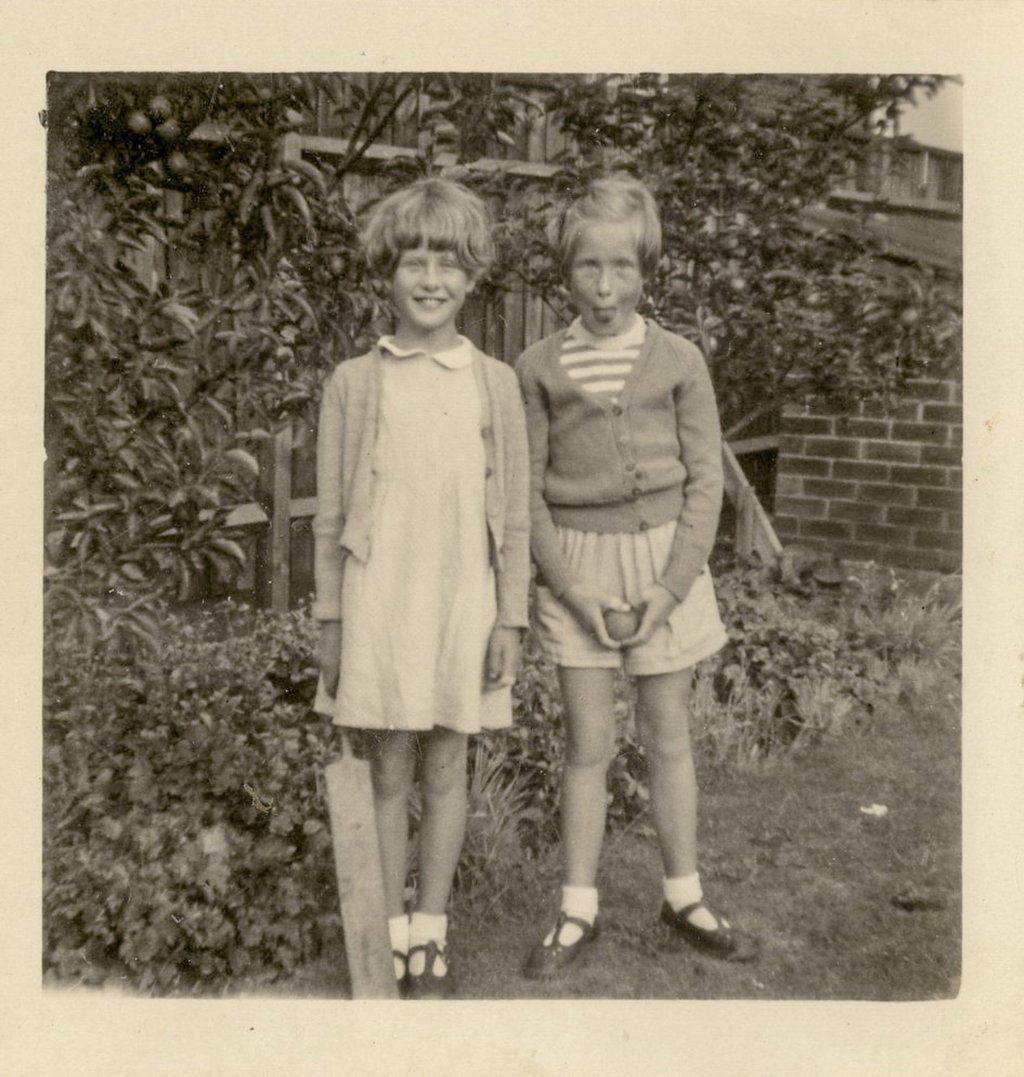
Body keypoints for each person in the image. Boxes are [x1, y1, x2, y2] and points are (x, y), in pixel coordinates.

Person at [515, 175, 756, 979]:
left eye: (623, 267)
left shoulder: (680, 360)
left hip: (664, 567)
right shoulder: (538, 367)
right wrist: (572, 591)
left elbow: (704, 484)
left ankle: (682, 892)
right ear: (567, 271)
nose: (606, 286)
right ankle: (577, 904)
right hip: (578, 567)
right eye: (589, 268)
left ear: (646, 267)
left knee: (669, 735)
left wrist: (668, 589)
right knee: (587, 742)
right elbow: (525, 492)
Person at [312, 177, 530, 999]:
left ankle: (431, 931)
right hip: (380, 602)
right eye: (414, 261)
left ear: (472, 276)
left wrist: (509, 615)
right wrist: (331, 619)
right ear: (388, 272)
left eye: (448, 262)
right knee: (388, 770)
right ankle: (389, 931)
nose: (431, 279)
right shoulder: (354, 382)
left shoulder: (494, 383)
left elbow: (510, 513)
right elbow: (332, 514)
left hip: (460, 603)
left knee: (449, 766)